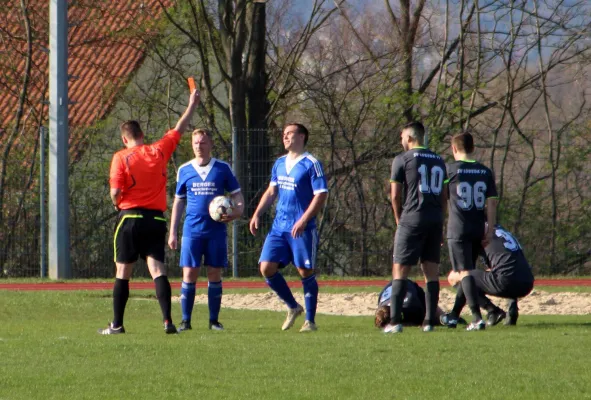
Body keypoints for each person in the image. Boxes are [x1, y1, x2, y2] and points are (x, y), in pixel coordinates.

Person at [98, 89, 200, 335]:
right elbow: (179, 128)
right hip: (155, 220)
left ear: (125, 139)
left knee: (123, 271)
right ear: (142, 135)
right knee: (157, 270)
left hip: (130, 218)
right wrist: (191, 105)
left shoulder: (121, 157)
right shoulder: (158, 150)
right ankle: (167, 321)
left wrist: (117, 202)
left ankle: (117, 325)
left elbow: (115, 191)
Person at [249, 123, 328, 332]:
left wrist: (303, 220)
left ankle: (310, 321)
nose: (285, 137)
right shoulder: (279, 163)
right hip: (279, 227)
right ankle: (293, 306)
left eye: (289, 133)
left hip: (301, 228)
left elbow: (321, 194)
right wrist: (257, 213)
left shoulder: (312, 164)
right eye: (283, 134)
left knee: (305, 270)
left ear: (302, 136)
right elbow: (271, 191)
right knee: (266, 268)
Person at [168, 129, 244, 332]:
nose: (199, 146)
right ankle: (185, 321)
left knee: (214, 273)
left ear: (210, 144)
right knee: (189, 273)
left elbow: (238, 198)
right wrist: (172, 231)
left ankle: (213, 321)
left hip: (216, 231)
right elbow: (178, 202)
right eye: (195, 143)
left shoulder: (222, 168)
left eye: (202, 143)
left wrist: (236, 213)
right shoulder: (184, 170)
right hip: (192, 230)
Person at [384, 121, 448, 333]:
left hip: (412, 217)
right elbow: (444, 196)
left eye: (402, 137)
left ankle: (394, 322)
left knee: (400, 269)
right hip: (435, 218)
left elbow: (395, 195)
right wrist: (442, 221)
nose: (401, 141)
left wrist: (398, 219)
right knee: (431, 271)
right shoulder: (439, 160)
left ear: (410, 138)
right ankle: (429, 322)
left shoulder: (401, 159)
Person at [444, 131, 498, 331]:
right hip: (478, 227)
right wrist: (490, 229)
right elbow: (492, 203)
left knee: (464, 272)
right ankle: (453, 316)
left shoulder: (450, 170)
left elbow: (442, 200)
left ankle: (476, 317)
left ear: (454, 148)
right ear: (473, 148)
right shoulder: (485, 171)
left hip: (458, 227)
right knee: (467, 272)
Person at [442, 224, 534, 327]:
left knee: (457, 277)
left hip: (506, 281)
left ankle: (491, 311)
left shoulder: (479, 231)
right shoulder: (502, 230)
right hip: (528, 282)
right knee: (497, 272)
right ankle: (511, 310)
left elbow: (466, 273)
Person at [374, 280, 458, 328]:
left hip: (413, 290)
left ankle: (445, 317)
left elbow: (419, 321)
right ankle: (446, 317)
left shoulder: (411, 306)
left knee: (433, 317)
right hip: (397, 283)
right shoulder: (382, 306)